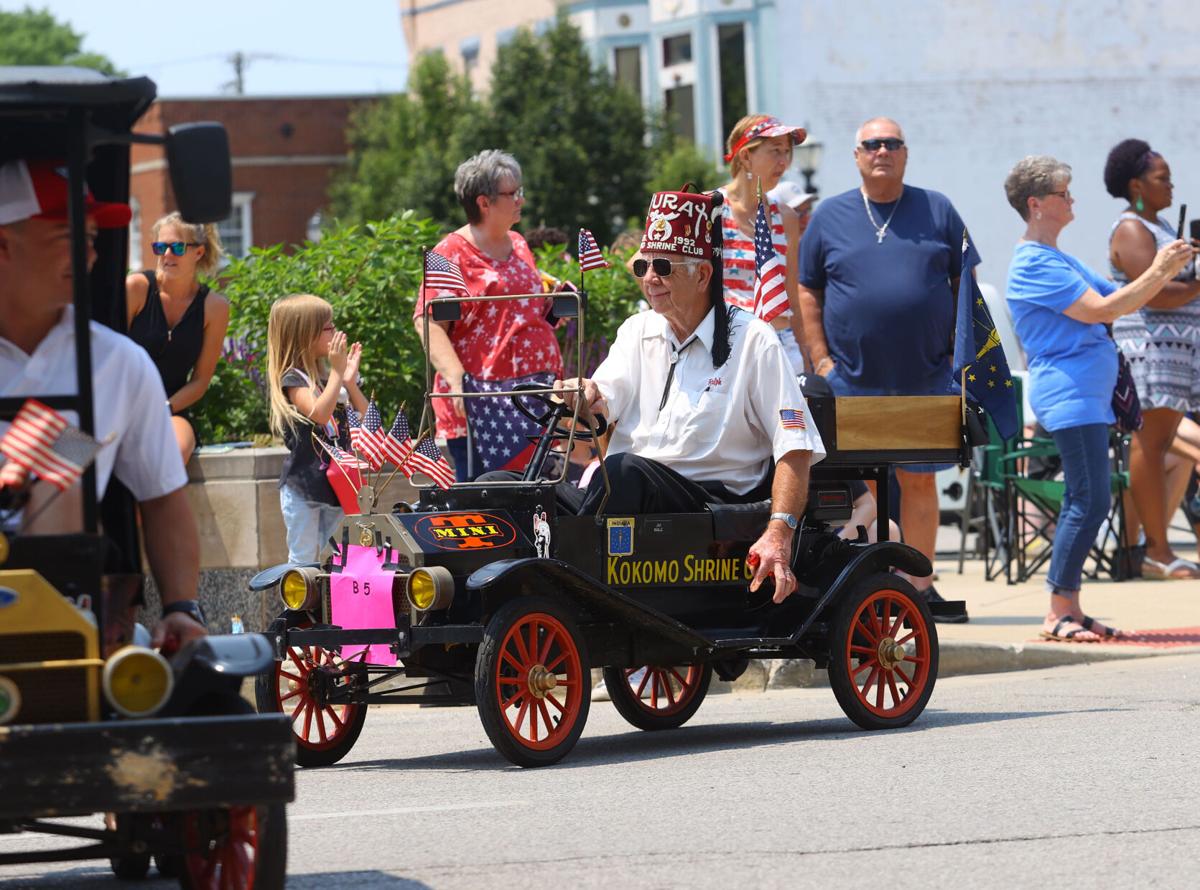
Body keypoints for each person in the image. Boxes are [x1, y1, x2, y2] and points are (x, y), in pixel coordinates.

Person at [556, 188, 826, 602]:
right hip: (630, 500)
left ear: (702, 275)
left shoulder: (753, 339)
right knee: (507, 489)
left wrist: (779, 533)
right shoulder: (637, 330)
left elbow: (795, 446)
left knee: (626, 470)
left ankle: (570, 591)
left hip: (705, 505)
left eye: (663, 266)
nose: (649, 278)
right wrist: (583, 394)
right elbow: (602, 401)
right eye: (643, 265)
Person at [0, 157, 206, 649]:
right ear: (3, 245)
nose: (88, 255)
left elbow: (162, 498)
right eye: (65, 238)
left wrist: (181, 607)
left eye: (90, 240)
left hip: (65, 629)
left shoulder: (119, 363)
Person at [1003, 155, 1193, 641]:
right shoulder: (1031, 263)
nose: (1072, 201)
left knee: (1091, 499)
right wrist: (1160, 267)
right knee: (1086, 501)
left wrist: (1168, 272)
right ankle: (1058, 608)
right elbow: (1103, 308)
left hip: (1087, 394)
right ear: (1037, 203)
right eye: (1064, 193)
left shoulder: (1060, 258)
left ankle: (1071, 605)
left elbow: (1126, 297)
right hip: (1069, 394)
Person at [796, 116, 975, 617]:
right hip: (851, 379)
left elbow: (967, 286)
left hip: (925, 378)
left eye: (892, 143)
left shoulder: (937, 210)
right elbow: (807, 289)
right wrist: (823, 360)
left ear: (905, 153)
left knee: (920, 481)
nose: (882, 150)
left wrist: (961, 363)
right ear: (856, 155)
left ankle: (919, 585)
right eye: (871, 144)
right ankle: (866, 586)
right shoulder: (829, 216)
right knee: (861, 488)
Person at [413, 150, 563, 481]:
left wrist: (550, 309)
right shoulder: (449, 253)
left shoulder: (520, 243)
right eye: (513, 193)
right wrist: (455, 380)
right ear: (484, 202)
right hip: (484, 407)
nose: (521, 200)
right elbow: (428, 321)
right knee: (487, 510)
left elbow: (516, 314)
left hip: (535, 399)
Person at [1104, 139, 1200, 579]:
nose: (1172, 185)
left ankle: (1152, 547)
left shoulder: (1158, 225)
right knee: (1150, 444)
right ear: (1136, 185)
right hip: (1150, 350)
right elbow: (1156, 294)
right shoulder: (1131, 229)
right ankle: (1157, 551)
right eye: (1163, 178)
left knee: (1162, 446)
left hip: (1175, 352)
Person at [266, 293, 367, 565]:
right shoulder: (293, 379)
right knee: (304, 562)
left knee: (342, 561)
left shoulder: (329, 378)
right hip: (304, 488)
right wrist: (337, 373)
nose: (335, 333)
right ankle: (301, 609)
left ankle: (329, 608)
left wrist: (349, 381)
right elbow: (320, 414)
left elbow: (368, 419)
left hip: (338, 486)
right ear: (305, 334)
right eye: (328, 328)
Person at [125, 212, 230, 466]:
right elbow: (104, 356)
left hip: (168, 410)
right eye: (160, 246)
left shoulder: (215, 308)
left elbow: (201, 380)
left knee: (175, 450)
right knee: (70, 460)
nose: (167, 255)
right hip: (115, 403)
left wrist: (161, 409)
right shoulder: (135, 288)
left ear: (198, 252)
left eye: (177, 247)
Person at [717, 115, 808, 371]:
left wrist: (807, 358)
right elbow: (643, 263)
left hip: (782, 348)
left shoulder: (786, 217)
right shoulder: (708, 207)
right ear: (746, 157)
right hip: (731, 347)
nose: (784, 162)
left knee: (793, 413)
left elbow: (792, 297)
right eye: (775, 151)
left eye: (787, 152)